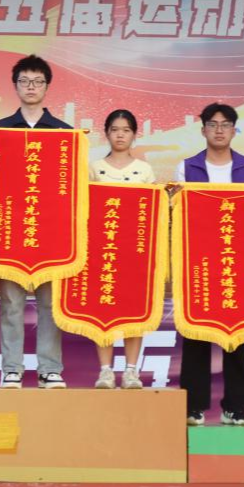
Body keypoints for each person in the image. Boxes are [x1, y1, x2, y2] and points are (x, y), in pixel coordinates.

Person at [174, 102, 244, 426]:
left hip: (237, 262)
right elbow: (181, 215)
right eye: (213, 124)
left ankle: (236, 407)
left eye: (225, 125)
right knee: (196, 335)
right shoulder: (187, 168)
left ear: (234, 130)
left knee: (235, 336)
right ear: (203, 130)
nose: (219, 130)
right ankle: (193, 407)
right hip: (199, 262)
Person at [0, 55, 72, 389]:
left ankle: (49, 368)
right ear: (15, 86)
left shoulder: (64, 133)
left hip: (50, 230)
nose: (31, 87)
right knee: (11, 303)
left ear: (47, 87)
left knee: (49, 303)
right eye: (24, 81)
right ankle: (11, 368)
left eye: (37, 82)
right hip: (11, 229)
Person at [89, 109, 156, 390]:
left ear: (134, 135)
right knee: (102, 308)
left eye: (126, 130)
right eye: (115, 129)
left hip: (134, 251)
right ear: (106, 133)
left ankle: (130, 371)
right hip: (103, 249)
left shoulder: (144, 170)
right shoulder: (94, 168)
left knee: (134, 310)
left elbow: (152, 211)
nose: (120, 135)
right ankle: (105, 370)